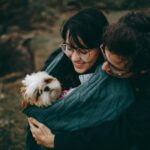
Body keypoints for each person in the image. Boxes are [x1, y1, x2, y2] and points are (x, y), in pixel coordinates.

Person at [27, 9, 150, 150]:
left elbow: (122, 131)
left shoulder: (127, 92)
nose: (104, 68)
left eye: (84, 51)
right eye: (69, 47)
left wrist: (58, 141)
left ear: (142, 71)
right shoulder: (59, 59)